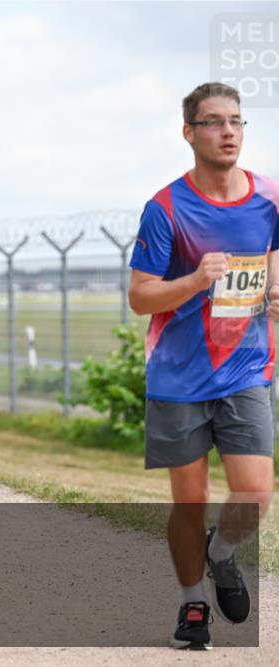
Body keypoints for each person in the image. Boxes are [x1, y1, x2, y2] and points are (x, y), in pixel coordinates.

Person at [128, 82, 278, 650]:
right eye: (214, 122)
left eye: (237, 121)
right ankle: (193, 604)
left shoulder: (270, 198)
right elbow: (141, 297)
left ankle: (222, 552)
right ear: (189, 132)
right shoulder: (166, 207)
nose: (229, 132)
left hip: (245, 368)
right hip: (179, 375)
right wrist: (194, 281)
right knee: (187, 502)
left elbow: (273, 259)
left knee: (256, 492)